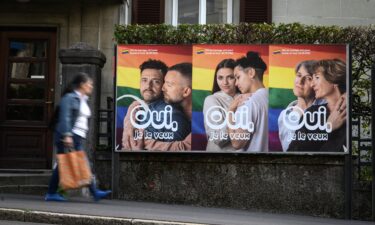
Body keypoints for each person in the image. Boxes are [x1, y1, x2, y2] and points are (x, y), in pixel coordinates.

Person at [45, 72, 111, 202]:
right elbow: (65, 117)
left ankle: (52, 192)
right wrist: (67, 135)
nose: (91, 86)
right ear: (82, 85)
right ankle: (94, 192)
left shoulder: (83, 99)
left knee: (66, 164)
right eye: (89, 84)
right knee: (79, 163)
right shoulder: (70, 98)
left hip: (76, 136)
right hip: (69, 136)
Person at [122, 59, 191, 150]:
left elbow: (177, 154)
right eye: (144, 80)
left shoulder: (172, 114)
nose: (148, 87)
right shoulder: (137, 108)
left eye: (156, 81)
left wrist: (140, 141)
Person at [287, 59, 347, 152]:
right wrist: (328, 127)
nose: (312, 84)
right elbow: (293, 150)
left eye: (317, 78)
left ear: (334, 80)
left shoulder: (351, 112)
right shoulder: (312, 113)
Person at [277, 60, 326, 151]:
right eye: (299, 75)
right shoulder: (284, 116)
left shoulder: (326, 110)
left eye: (308, 78)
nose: (300, 81)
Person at [227, 51, 268, 152]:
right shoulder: (270, 97)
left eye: (238, 77)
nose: (236, 84)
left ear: (251, 73)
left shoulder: (247, 102)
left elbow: (237, 143)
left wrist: (230, 111)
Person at [203, 59, 239, 152]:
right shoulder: (211, 100)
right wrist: (232, 110)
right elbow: (218, 138)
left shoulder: (247, 98)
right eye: (220, 78)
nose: (225, 82)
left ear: (237, 77)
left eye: (230, 77)